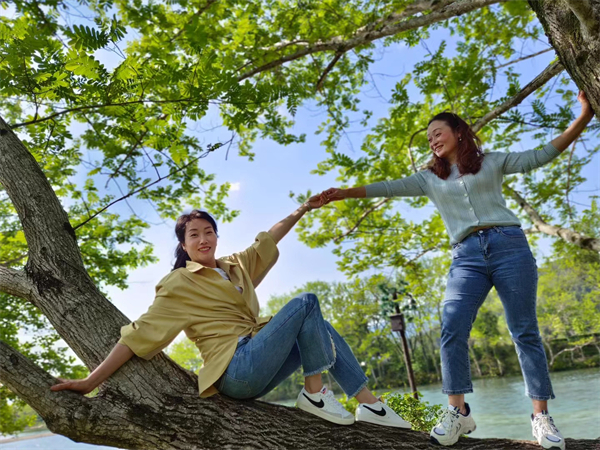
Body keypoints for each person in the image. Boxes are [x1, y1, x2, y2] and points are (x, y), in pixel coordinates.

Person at [317, 91, 594, 448]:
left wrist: (584, 116)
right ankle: (458, 413)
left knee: (524, 331)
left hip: (510, 246)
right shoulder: (428, 179)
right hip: (466, 256)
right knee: (451, 326)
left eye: (438, 132)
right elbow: (386, 187)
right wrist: (342, 193)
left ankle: (540, 417)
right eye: (429, 136)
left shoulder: (492, 162)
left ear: (459, 132)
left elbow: (541, 155)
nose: (433, 140)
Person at [51, 201, 411, 429]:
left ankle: (371, 405)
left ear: (217, 237)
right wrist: (90, 381)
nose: (203, 238)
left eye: (209, 232)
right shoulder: (178, 283)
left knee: (320, 326)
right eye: (194, 234)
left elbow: (266, 242)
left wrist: (300, 211)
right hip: (234, 370)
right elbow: (138, 335)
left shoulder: (235, 267)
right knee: (306, 303)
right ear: (184, 244)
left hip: (259, 359)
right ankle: (315, 395)